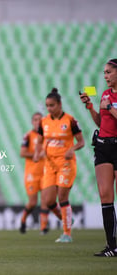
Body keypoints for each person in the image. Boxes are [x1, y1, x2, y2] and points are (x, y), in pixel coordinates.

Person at [34, 88, 84, 243]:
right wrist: (37, 153)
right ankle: (67, 218)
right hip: (50, 165)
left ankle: (67, 233)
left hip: (66, 164)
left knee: (62, 196)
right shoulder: (44, 122)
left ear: (59, 104)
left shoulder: (70, 120)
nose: (49, 109)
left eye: (52, 105)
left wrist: (72, 149)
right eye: (47, 106)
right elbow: (40, 140)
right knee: (49, 202)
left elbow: (81, 142)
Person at [80, 58, 117, 257]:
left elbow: (112, 113)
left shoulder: (110, 99)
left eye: (109, 72)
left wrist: (110, 107)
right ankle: (111, 245)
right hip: (103, 146)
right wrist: (91, 107)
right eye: (104, 73)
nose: (105, 76)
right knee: (105, 195)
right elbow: (101, 122)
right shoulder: (104, 94)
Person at [19, 112, 63, 234]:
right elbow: (22, 153)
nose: (37, 122)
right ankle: (23, 220)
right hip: (32, 174)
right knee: (32, 202)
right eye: (35, 120)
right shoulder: (28, 136)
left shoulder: (47, 136)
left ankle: (43, 227)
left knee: (45, 201)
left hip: (45, 173)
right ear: (32, 122)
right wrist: (37, 155)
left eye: (39, 120)